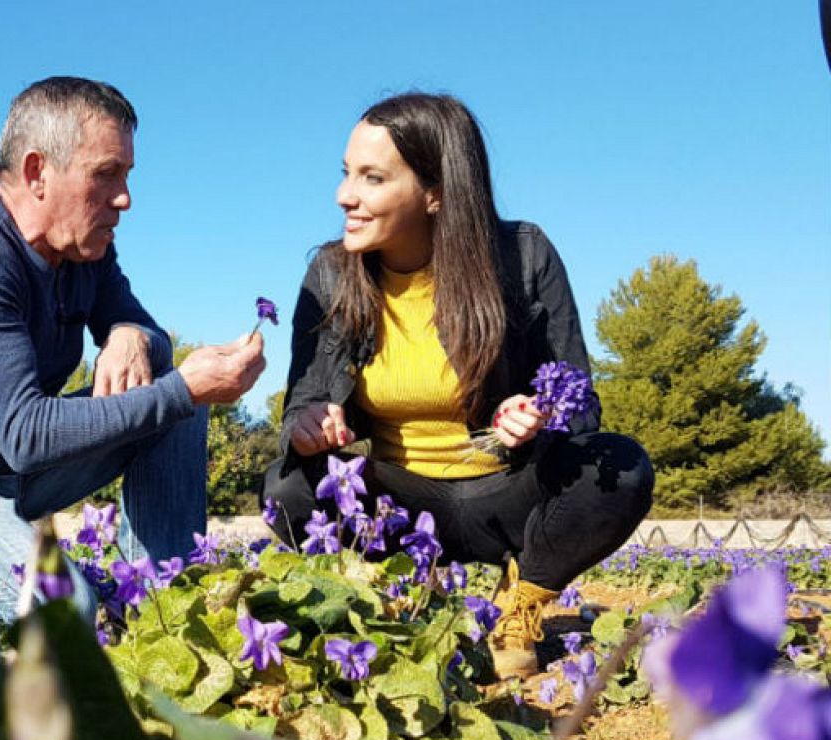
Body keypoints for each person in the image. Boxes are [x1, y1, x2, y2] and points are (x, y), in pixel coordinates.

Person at [0, 77, 266, 623]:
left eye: (127, 176)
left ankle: (166, 598)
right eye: (106, 175)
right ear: (37, 172)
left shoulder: (84, 250)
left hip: (6, 476)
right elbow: (27, 434)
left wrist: (128, 334)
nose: (125, 198)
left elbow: (147, 332)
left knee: (170, 384)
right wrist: (185, 389)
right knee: (64, 605)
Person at [263, 92, 653, 679]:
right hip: (396, 504)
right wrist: (308, 427)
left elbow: (579, 401)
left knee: (620, 466)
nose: (346, 195)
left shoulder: (523, 255)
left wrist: (539, 414)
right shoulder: (331, 271)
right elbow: (304, 399)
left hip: (508, 492)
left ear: (436, 191)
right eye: (346, 174)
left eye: (372, 178)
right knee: (288, 487)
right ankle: (382, 597)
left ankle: (519, 608)